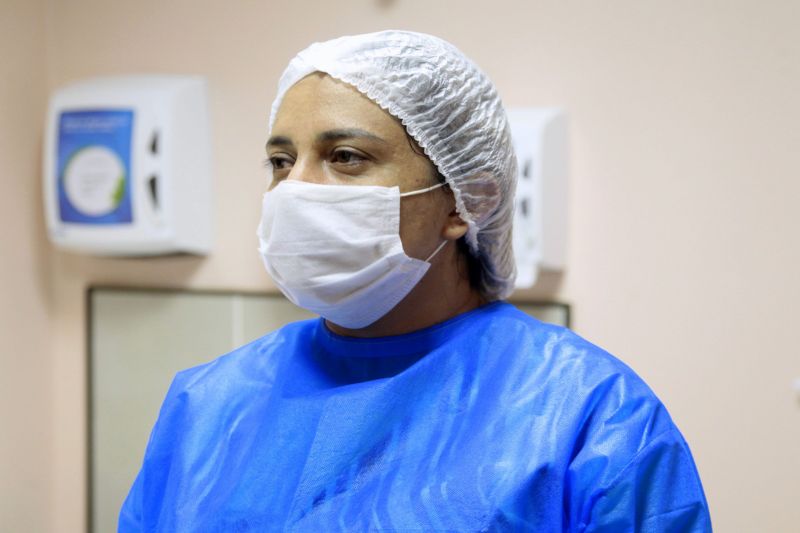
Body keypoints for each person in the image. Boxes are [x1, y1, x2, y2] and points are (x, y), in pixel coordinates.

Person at [119, 30, 711, 531]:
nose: (296, 189)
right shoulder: (207, 405)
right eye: (281, 162)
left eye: (346, 157)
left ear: (465, 200)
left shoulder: (592, 418)